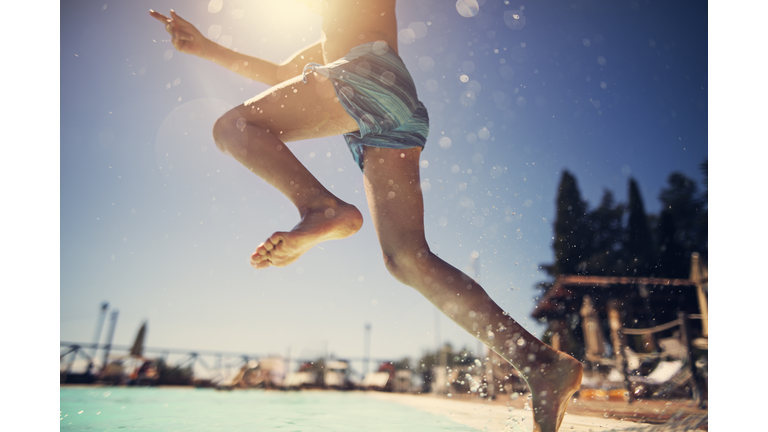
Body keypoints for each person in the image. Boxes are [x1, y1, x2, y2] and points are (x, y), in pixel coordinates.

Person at [150, 2, 582, 431]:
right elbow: (282, 73)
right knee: (406, 259)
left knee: (232, 127)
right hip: (391, 107)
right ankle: (540, 363)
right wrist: (207, 49)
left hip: (367, 77)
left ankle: (321, 208)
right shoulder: (333, 34)